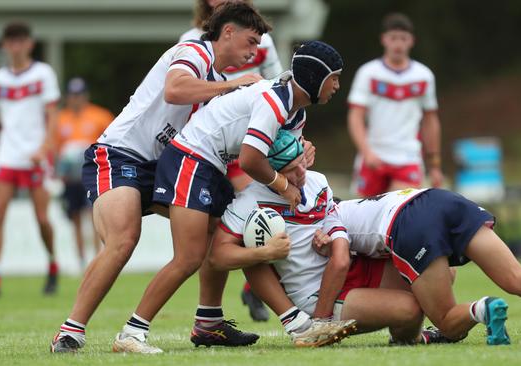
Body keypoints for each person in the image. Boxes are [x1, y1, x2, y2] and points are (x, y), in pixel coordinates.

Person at [50, 2, 270, 353]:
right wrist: (235, 86)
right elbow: (175, 89)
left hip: (163, 168)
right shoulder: (194, 51)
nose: (254, 52)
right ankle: (70, 332)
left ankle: (209, 324)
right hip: (119, 154)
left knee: (224, 222)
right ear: (227, 32)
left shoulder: (218, 81)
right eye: (251, 41)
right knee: (124, 238)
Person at [110, 40, 344, 353]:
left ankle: (213, 322)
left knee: (238, 239)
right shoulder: (274, 101)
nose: (338, 86)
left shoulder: (295, 112)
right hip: (190, 160)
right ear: (316, 78)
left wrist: (298, 165)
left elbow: (285, 163)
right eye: (334, 77)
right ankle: (132, 332)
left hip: (208, 165)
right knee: (189, 257)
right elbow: (250, 159)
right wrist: (283, 186)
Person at [208, 130, 453, 347]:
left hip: (354, 266)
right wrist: (265, 253)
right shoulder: (248, 202)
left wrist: (332, 239)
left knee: (440, 270)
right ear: (270, 173)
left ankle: (409, 338)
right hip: (317, 295)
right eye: (291, 170)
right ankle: (319, 325)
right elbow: (217, 256)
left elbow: (337, 238)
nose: (301, 173)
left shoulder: (318, 182)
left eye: (301, 163)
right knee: (409, 309)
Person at [316, 188, 521, 344]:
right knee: (518, 277)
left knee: (445, 320)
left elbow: (340, 257)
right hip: (443, 200)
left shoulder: (331, 217)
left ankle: (482, 309)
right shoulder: (361, 203)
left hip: (409, 223)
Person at [180, 0, 285, 322]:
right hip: (210, 146)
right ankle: (210, 317)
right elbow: (181, 93)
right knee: (215, 235)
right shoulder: (191, 41)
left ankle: (239, 299)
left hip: (249, 146)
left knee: (260, 214)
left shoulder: (261, 39)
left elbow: (281, 87)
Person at [347, 13, 444, 197]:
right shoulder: (368, 73)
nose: (398, 44)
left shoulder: (424, 76)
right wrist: (366, 152)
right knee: (366, 218)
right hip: (373, 157)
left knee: (398, 212)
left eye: (403, 38)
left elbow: (431, 121)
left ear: (411, 41)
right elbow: (355, 116)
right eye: (393, 38)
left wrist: (435, 165)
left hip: (407, 157)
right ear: (384, 40)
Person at [0, 22, 60, 297]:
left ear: (29, 44)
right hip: (7, 156)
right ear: (5, 45)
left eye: (20, 40)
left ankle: (52, 263)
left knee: (42, 218)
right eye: (11, 41)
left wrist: (44, 148)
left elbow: (52, 116)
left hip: (35, 157)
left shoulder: (43, 74)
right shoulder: (0, 79)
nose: (16, 46)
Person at [56, 77, 113, 269]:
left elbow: (112, 143)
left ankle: (98, 258)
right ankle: (80, 261)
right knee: (75, 218)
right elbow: (56, 149)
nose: (76, 99)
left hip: (92, 174)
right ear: (68, 97)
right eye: (72, 95)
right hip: (71, 177)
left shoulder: (100, 116)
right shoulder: (60, 118)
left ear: (85, 96)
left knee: (95, 215)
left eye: (79, 95)